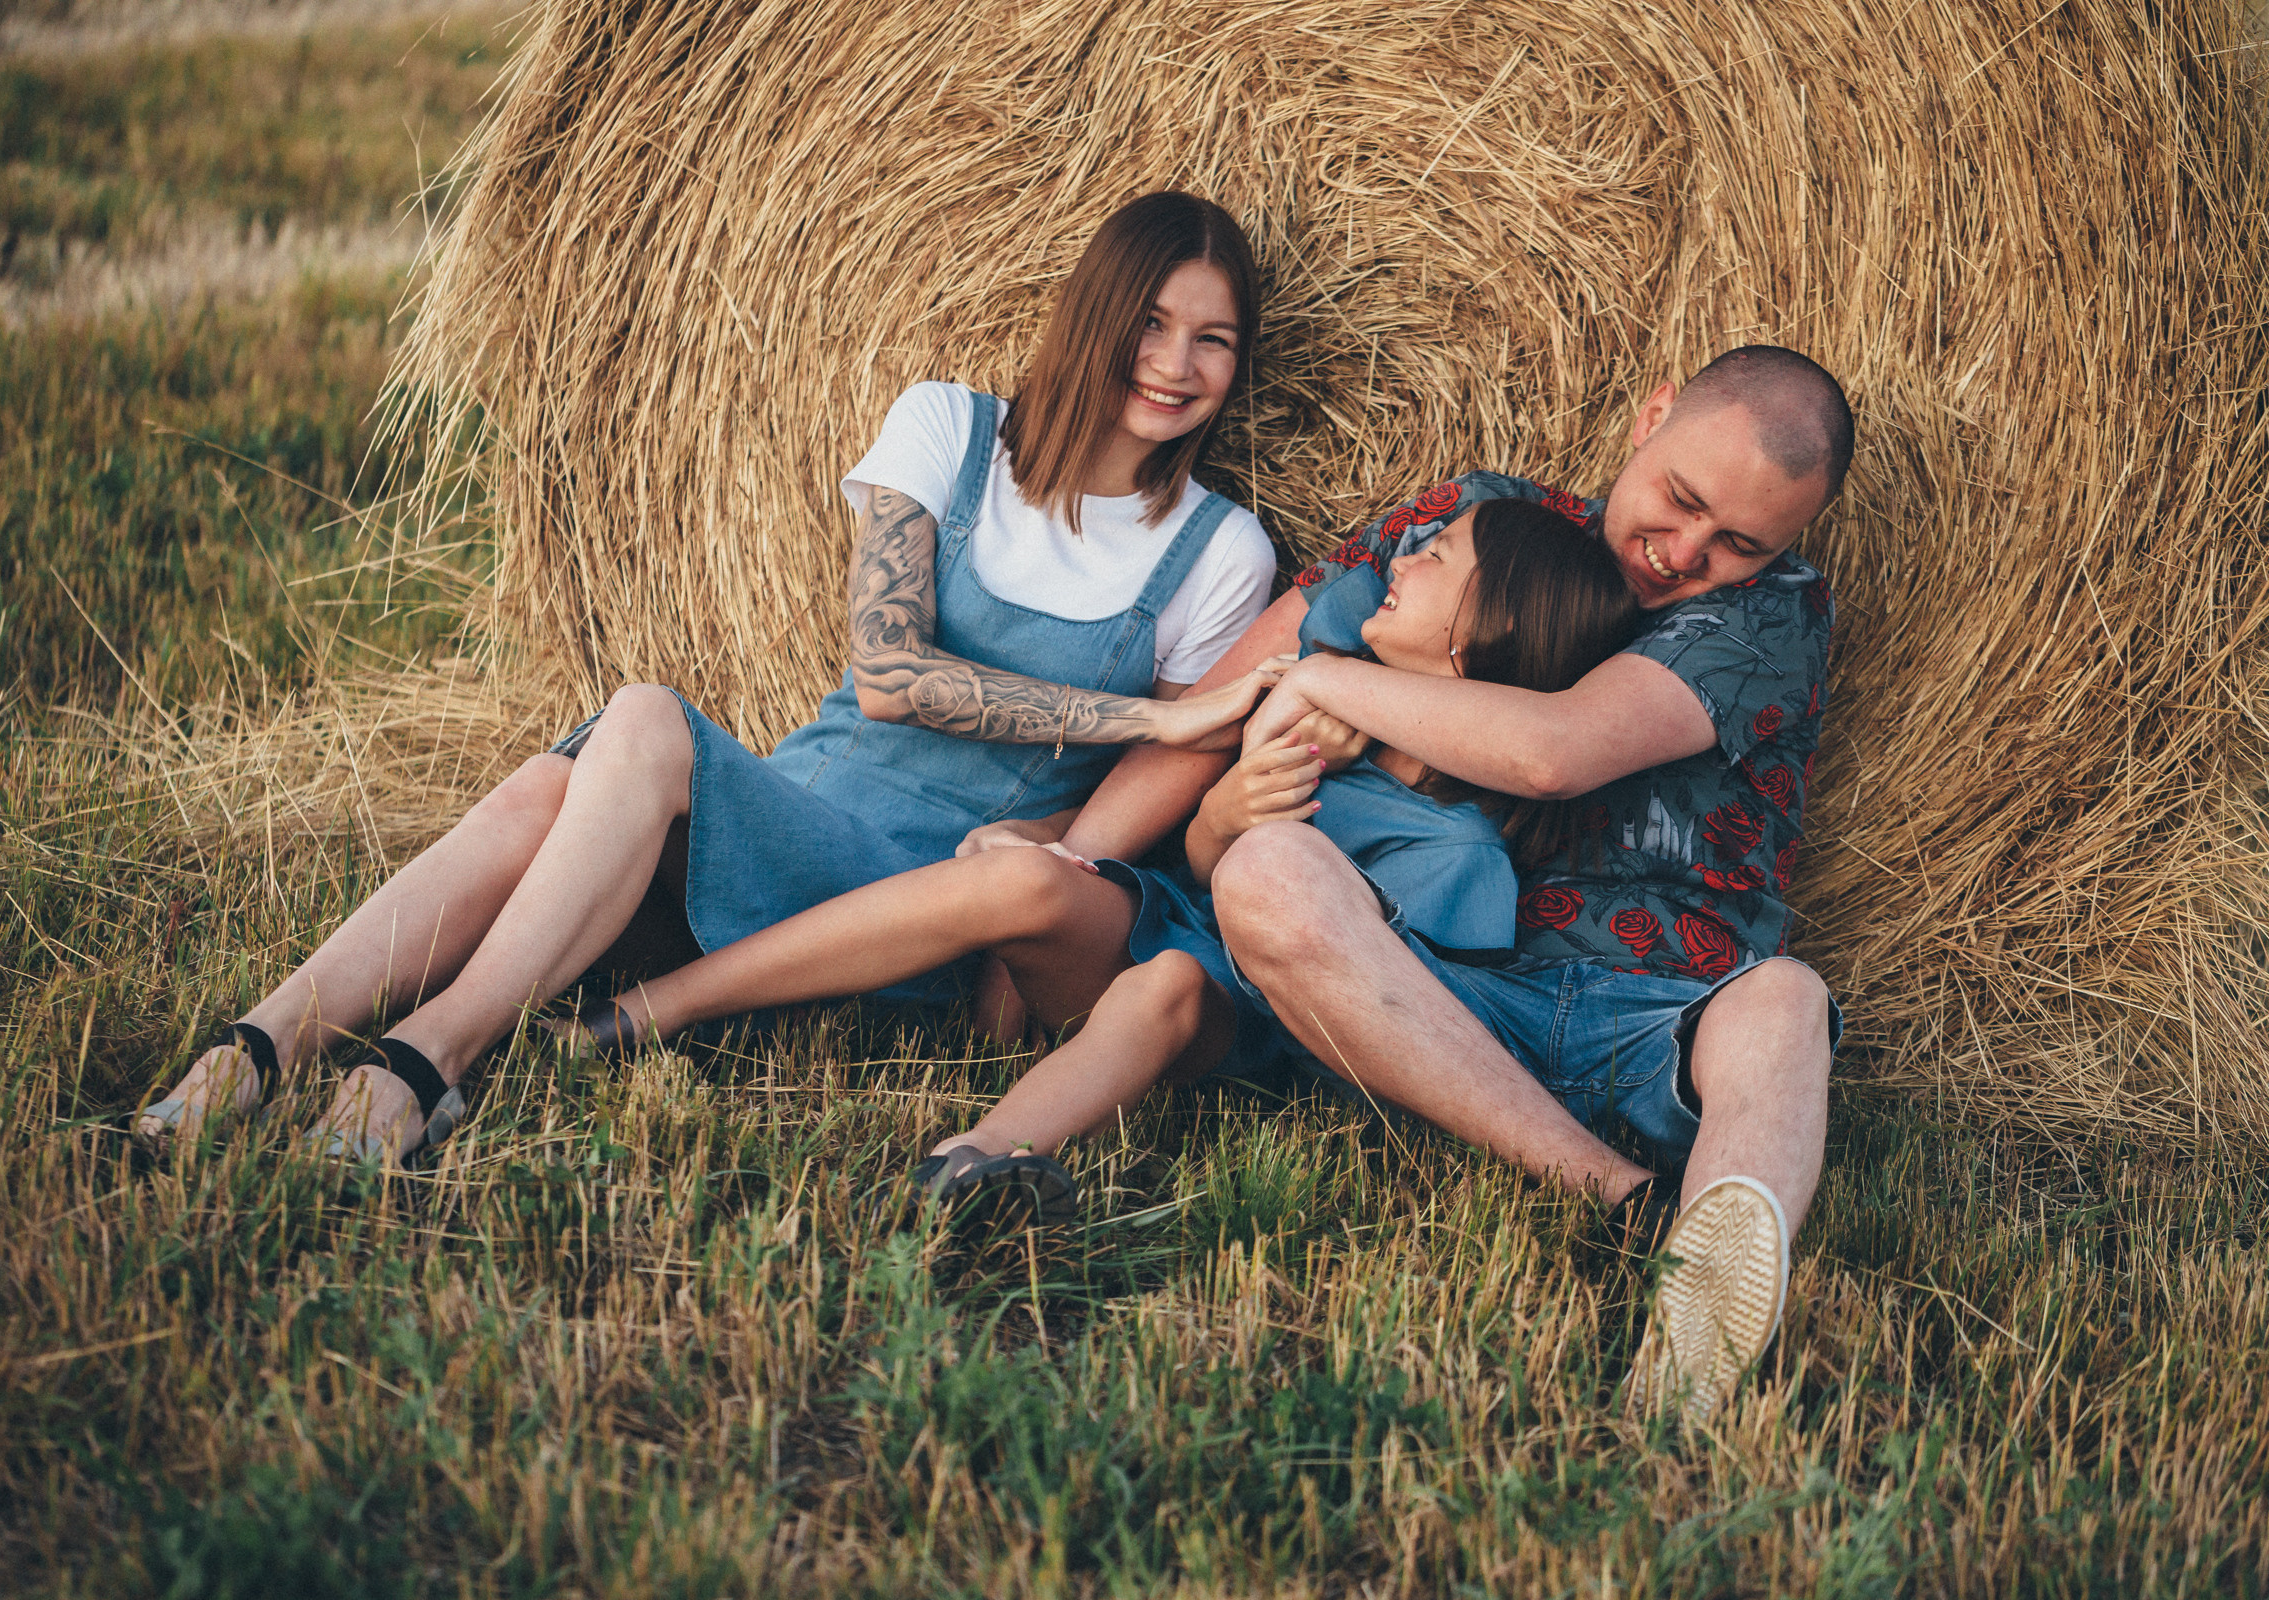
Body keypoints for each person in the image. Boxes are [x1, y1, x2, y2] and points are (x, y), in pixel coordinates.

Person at [133, 191, 1286, 1166]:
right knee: (559, 788)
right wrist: (1147, 707)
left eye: (1214, 340)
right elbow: (888, 674)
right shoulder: (948, 428)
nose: (1176, 365)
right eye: (1150, 322)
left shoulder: (1218, 555)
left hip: (908, 904)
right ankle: (268, 1040)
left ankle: (433, 1052)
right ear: (1093, 314)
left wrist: (1070, 811)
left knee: (632, 726)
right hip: (795, 807)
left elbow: (1124, 810)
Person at [550, 498, 1640, 1229]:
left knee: (1168, 983)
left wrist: (1235, 843)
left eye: (1437, 556)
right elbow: (1203, 852)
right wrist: (1223, 806)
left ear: (1479, 635)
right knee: (1020, 880)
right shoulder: (1318, 710)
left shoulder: (1458, 849)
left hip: (1245, 1027)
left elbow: (1375, 1005)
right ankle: (643, 1013)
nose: (1401, 557)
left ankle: (976, 1160)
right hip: (1162, 920)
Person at [1197, 344, 1854, 1428]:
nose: (1684, 553)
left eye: (1739, 541)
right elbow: (1223, 698)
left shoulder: (1774, 614)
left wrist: (1325, 679)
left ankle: (1697, 1351)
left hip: (1658, 1012)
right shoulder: (1487, 522)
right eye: (1681, 501)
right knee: (1269, 871)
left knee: (1787, 1002)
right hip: (1437, 993)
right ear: (1650, 417)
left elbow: (1555, 754)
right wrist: (1065, 847)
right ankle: (1627, 1202)